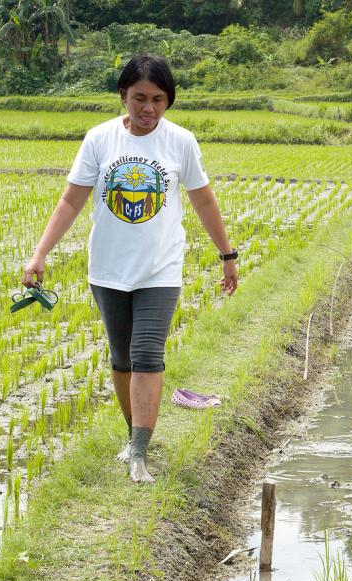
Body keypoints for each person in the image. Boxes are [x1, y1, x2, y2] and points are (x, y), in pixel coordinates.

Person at [21, 54, 240, 484]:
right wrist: (40, 253)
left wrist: (227, 256)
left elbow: (203, 200)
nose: (148, 109)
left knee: (146, 356)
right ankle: (133, 434)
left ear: (168, 101)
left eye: (159, 99)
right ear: (123, 95)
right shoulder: (100, 139)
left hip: (160, 270)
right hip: (107, 269)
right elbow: (71, 199)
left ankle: (140, 451)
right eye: (139, 98)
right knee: (121, 358)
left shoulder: (181, 142)